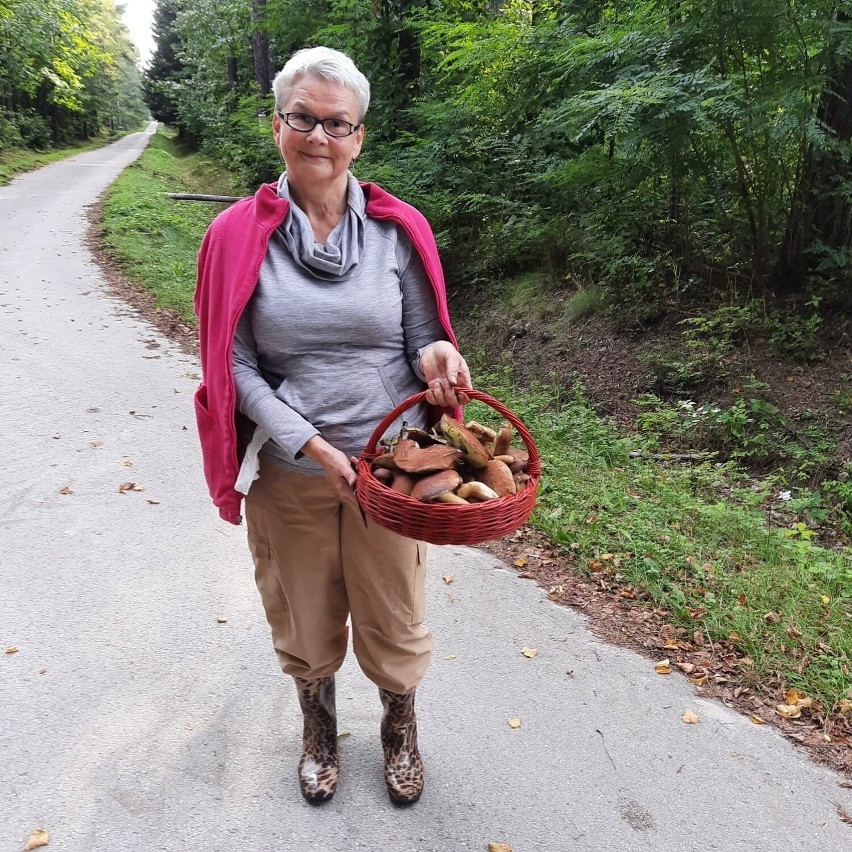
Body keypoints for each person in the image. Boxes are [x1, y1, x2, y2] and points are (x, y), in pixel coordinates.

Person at [193, 46, 471, 806]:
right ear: (277, 125)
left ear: (359, 136)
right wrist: (308, 442)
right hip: (292, 469)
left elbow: (424, 336)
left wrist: (440, 349)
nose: (319, 136)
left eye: (336, 123)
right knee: (304, 614)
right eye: (303, 118)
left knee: (395, 613)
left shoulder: (395, 230)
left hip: (391, 468)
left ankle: (398, 728)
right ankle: (319, 729)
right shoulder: (233, 237)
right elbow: (234, 368)